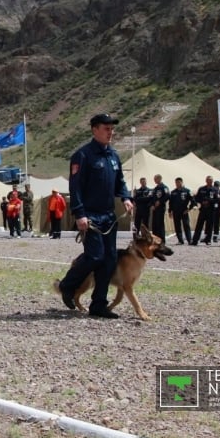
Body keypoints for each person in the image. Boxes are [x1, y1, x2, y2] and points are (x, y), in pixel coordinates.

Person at [57, 114, 133, 319]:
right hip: (90, 216)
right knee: (95, 255)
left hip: (109, 216)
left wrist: (125, 197)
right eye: (106, 128)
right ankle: (67, 285)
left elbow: (120, 182)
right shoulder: (83, 155)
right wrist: (79, 214)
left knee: (109, 260)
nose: (111, 132)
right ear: (94, 130)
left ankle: (99, 304)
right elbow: (76, 187)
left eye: (112, 129)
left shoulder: (113, 156)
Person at [190, 175, 219, 245]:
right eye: (208, 180)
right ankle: (195, 240)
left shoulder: (215, 190)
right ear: (206, 181)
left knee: (209, 226)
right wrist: (202, 201)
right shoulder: (201, 189)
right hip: (203, 209)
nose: (209, 181)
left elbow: (217, 199)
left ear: (212, 181)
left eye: (211, 180)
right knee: (199, 225)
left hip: (211, 209)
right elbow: (196, 198)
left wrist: (209, 201)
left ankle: (208, 240)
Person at [168, 177, 196, 245]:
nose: (177, 184)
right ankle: (180, 240)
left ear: (181, 182)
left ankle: (189, 240)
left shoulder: (187, 191)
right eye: (176, 183)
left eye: (179, 182)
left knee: (186, 225)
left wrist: (189, 209)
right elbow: (170, 203)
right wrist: (170, 211)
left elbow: (193, 201)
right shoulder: (173, 192)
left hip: (184, 211)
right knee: (177, 226)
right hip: (176, 211)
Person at [150, 174, 169, 241]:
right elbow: (152, 198)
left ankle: (161, 239)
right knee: (154, 224)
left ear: (159, 179)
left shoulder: (164, 187)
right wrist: (152, 205)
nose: (154, 180)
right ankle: (155, 238)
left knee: (160, 224)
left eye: (155, 179)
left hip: (161, 208)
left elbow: (167, 196)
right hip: (155, 208)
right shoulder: (155, 188)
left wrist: (160, 201)